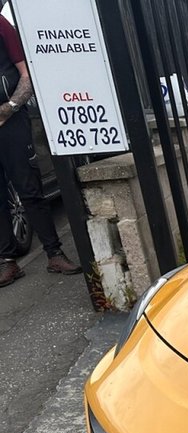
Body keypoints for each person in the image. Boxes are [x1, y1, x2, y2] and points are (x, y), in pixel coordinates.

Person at [0, 14, 81, 288]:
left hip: (10, 120)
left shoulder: (1, 24)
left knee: (29, 188)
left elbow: (25, 73)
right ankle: (8, 262)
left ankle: (54, 254)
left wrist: (10, 107)